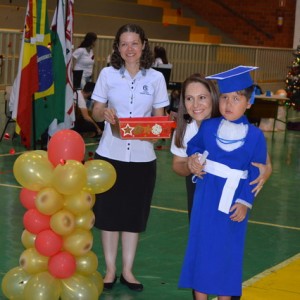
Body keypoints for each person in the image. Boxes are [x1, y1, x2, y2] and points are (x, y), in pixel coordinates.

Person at [178, 66, 268, 300]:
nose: (229, 104)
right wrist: (194, 158)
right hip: (206, 197)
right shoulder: (208, 127)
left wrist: (245, 202)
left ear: (249, 102)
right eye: (225, 98)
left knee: (227, 254)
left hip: (233, 204)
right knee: (202, 249)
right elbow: (194, 146)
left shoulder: (256, 136)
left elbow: (256, 172)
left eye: (236, 98)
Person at [91, 23, 169, 292]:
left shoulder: (156, 79)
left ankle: (128, 270)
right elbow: (96, 109)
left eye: (134, 43)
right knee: (109, 215)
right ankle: (110, 269)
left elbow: (160, 119)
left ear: (144, 44)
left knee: (133, 216)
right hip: (109, 155)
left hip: (142, 158)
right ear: (117, 48)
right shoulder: (107, 74)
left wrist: (156, 132)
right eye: (124, 44)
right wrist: (105, 115)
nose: (129, 49)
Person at [171, 74, 272, 220]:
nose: (195, 104)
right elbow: (177, 164)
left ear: (214, 97)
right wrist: (190, 165)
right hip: (200, 187)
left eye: (202, 97)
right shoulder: (185, 129)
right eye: (189, 98)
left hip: (230, 192)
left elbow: (263, 160)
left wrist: (267, 170)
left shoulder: (230, 122)